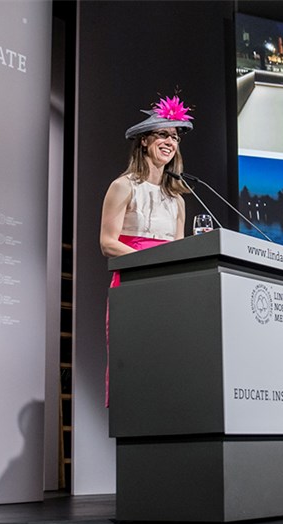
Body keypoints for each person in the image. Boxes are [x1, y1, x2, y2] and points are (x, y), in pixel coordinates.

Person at [101, 94, 193, 406]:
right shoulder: (123, 186)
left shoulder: (177, 199)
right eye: (163, 134)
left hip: (167, 289)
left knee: (167, 363)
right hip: (132, 285)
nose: (170, 142)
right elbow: (107, 243)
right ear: (144, 140)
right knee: (133, 361)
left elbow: (178, 250)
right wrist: (152, 260)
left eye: (175, 137)